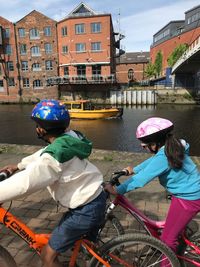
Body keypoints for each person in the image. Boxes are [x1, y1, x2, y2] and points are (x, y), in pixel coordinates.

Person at [0, 99, 106, 267]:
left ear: (42, 128)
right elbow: (44, 154)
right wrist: (18, 165)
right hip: (94, 198)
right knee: (79, 244)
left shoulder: (54, 156)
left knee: (47, 256)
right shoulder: (70, 138)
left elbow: (28, 182)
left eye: (36, 125)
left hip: (85, 209)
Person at [105, 117, 200, 253]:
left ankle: (169, 260)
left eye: (144, 143)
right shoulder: (172, 146)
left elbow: (141, 180)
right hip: (189, 192)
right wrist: (133, 170)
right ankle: (177, 245)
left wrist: (117, 190)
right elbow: (153, 161)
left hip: (188, 199)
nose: (142, 146)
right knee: (172, 232)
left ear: (156, 142)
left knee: (167, 241)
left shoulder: (165, 156)